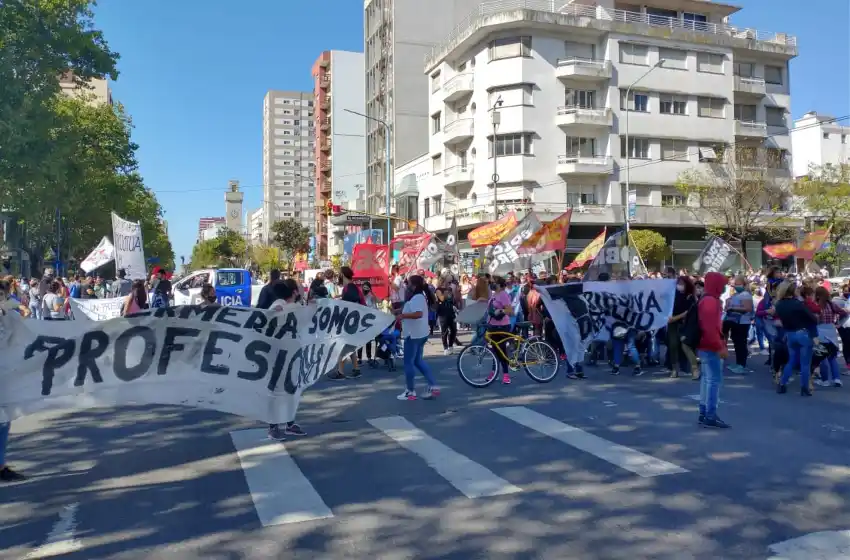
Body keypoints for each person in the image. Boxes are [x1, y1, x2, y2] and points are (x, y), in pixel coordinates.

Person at [265, 281, 307, 439]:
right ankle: (273, 426)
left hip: (291, 355)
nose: (302, 290)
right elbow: (266, 318)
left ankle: (289, 423)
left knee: (290, 390)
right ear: (294, 292)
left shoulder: (295, 307)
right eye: (299, 289)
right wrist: (272, 312)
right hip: (277, 355)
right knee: (276, 391)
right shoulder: (279, 304)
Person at [396, 274, 439, 401]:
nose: (407, 285)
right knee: (417, 361)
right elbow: (412, 309)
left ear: (414, 286)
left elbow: (418, 314)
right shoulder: (418, 297)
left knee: (408, 363)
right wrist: (399, 311)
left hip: (413, 335)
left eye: (408, 283)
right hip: (420, 334)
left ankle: (410, 391)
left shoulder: (417, 298)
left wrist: (403, 316)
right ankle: (433, 386)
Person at [774, 280, 819, 396]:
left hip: (789, 333)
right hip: (803, 333)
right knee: (805, 363)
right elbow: (812, 318)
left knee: (791, 360)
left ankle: (782, 384)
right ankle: (804, 388)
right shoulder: (797, 304)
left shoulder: (778, 305)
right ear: (793, 291)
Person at [697, 271, 730, 429]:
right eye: (722, 284)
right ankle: (710, 414)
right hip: (710, 345)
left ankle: (704, 412)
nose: (724, 287)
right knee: (713, 381)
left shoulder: (706, 299)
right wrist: (720, 346)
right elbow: (711, 328)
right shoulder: (711, 301)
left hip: (705, 344)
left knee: (707, 379)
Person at [330, 266, 363, 380]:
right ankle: (356, 369)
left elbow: (348, 304)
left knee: (343, 346)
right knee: (350, 346)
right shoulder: (352, 287)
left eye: (339, 274)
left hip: (350, 321)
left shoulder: (349, 288)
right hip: (354, 320)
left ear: (343, 275)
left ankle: (340, 372)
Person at [668, 276, 699, 379]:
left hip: (686, 324)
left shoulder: (691, 297)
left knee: (686, 345)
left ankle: (695, 369)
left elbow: (687, 312)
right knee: (673, 345)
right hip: (673, 324)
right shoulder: (673, 295)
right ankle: (674, 369)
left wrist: (674, 318)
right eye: (678, 283)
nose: (679, 285)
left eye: (681, 283)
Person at [485, 276, 515, 385]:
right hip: (492, 326)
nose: (491, 284)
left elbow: (510, 311)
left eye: (494, 282)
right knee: (494, 350)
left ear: (500, 285)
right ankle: (495, 372)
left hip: (502, 326)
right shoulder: (494, 295)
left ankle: (505, 374)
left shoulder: (503, 294)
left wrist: (501, 310)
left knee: (501, 350)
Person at [722, 275, 753, 374]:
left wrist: (733, 309)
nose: (735, 285)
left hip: (742, 322)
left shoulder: (745, 294)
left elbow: (748, 308)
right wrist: (728, 304)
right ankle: (738, 363)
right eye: (735, 284)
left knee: (741, 344)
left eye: (738, 284)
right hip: (734, 321)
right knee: (737, 343)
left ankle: (741, 365)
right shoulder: (736, 295)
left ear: (744, 284)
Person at [435, 287, 457, 355]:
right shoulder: (438, 291)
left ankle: (450, 346)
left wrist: (454, 306)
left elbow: (453, 302)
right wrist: (445, 295)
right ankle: (445, 348)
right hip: (443, 315)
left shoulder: (449, 293)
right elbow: (441, 299)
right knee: (444, 332)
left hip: (451, 314)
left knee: (454, 330)